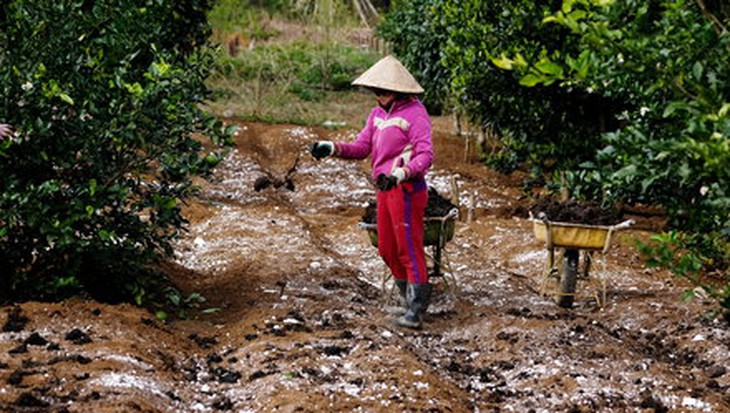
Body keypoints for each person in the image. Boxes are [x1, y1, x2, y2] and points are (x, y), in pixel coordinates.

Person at [309, 55, 434, 329]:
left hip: (407, 189)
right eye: (376, 90)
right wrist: (331, 147)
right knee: (387, 249)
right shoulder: (377, 115)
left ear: (399, 90)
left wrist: (400, 174)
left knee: (408, 248)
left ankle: (416, 308)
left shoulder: (415, 113)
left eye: (385, 90)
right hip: (384, 189)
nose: (380, 95)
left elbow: (426, 154)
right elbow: (361, 147)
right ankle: (407, 299)